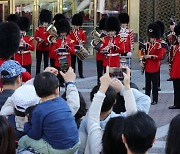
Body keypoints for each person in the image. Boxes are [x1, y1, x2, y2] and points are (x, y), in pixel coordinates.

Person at [78, 69, 150, 154]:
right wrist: (125, 87)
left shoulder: (88, 126)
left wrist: (102, 88)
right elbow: (137, 110)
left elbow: (93, 120)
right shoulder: (120, 123)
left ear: (92, 99)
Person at [18, 67, 80, 154]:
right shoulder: (62, 102)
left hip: (57, 150)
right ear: (57, 89)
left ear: (36, 92)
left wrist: (26, 124)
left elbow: (35, 135)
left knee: (24, 140)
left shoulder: (38, 110)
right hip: (76, 144)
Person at [140, 23, 164, 105]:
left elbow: (160, 56)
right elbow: (143, 54)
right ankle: (147, 98)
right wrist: (142, 61)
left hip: (155, 67)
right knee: (147, 85)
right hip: (147, 67)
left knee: (154, 85)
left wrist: (150, 56)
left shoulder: (159, 45)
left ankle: (155, 99)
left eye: (152, 38)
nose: (151, 39)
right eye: (150, 37)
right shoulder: (147, 45)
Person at [50, 19, 74, 87]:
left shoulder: (70, 41)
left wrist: (67, 47)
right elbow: (51, 54)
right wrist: (57, 50)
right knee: (58, 79)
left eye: (64, 32)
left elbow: (72, 52)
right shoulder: (56, 41)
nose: (63, 34)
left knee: (66, 78)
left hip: (65, 60)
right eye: (62, 32)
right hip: (58, 60)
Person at [69, 13, 87, 78]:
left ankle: (81, 74)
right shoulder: (71, 32)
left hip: (79, 48)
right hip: (73, 49)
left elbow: (85, 40)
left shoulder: (82, 32)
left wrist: (82, 42)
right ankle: (73, 74)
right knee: (73, 63)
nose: (76, 26)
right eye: (75, 25)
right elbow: (69, 40)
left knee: (80, 62)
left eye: (77, 25)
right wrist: (73, 42)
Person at [35, 9, 52, 74]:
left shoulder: (50, 30)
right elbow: (36, 37)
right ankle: (37, 73)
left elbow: (51, 37)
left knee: (46, 62)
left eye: (46, 22)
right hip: (39, 47)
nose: (45, 24)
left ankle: (46, 73)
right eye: (44, 22)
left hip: (46, 47)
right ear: (42, 22)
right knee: (38, 62)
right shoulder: (38, 29)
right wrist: (39, 39)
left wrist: (48, 42)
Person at [168, 23, 180, 109]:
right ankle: (176, 104)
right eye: (179, 37)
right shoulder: (174, 47)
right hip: (176, 71)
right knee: (176, 89)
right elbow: (170, 60)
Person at [154, 20, 167, 91]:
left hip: (158, 58)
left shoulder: (161, 41)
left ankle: (157, 85)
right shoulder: (152, 40)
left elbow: (164, 49)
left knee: (157, 71)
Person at [95, 17, 107, 84]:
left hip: (106, 57)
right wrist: (95, 42)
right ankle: (98, 84)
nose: (103, 31)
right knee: (99, 72)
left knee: (106, 72)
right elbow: (95, 45)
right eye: (102, 29)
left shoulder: (109, 36)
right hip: (99, 56)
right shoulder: (98, 36)